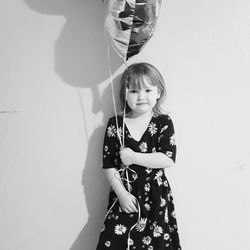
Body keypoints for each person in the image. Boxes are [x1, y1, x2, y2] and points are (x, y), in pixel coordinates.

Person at [96, 62, 182, 250]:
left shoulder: (163, 122)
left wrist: (134, 157)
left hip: (156, 197)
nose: (141, 96)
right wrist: (122, 195)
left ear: (158, 93)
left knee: (156, 244)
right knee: (114, 241)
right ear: (124, 95)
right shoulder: (115, 124)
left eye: (148, 90)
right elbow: (108, 164)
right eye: (133, 91)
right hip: (125, 195)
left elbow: (168, 158)